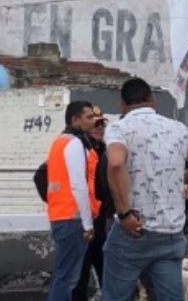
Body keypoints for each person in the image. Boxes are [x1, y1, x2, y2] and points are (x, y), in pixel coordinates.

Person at [101, 78, 188, 301]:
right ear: (152, 101)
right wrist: (182, 178)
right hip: (170, 233)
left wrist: (125, 213)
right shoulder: (177, 128)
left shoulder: (119, 127)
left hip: (133, 232)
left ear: (122, 105)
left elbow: (115, 163)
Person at [46, 100, 96, 301]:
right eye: (89, 117)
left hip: (60, 215)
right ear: (75, 119)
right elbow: (78, 185)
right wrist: (87, 223)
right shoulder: (75, 143)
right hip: (72, 218)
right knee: (67, 278)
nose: (93, 121)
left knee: (62, 275)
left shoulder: (60, 142)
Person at [73, 106, 114, 301]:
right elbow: (42, 176)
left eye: (102, 125)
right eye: (95, 124)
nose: (99, 128)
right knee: (79, 273)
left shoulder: (106, 152)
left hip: (102, 221)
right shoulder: (77, 149)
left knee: (107, 271)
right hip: (81, 221)